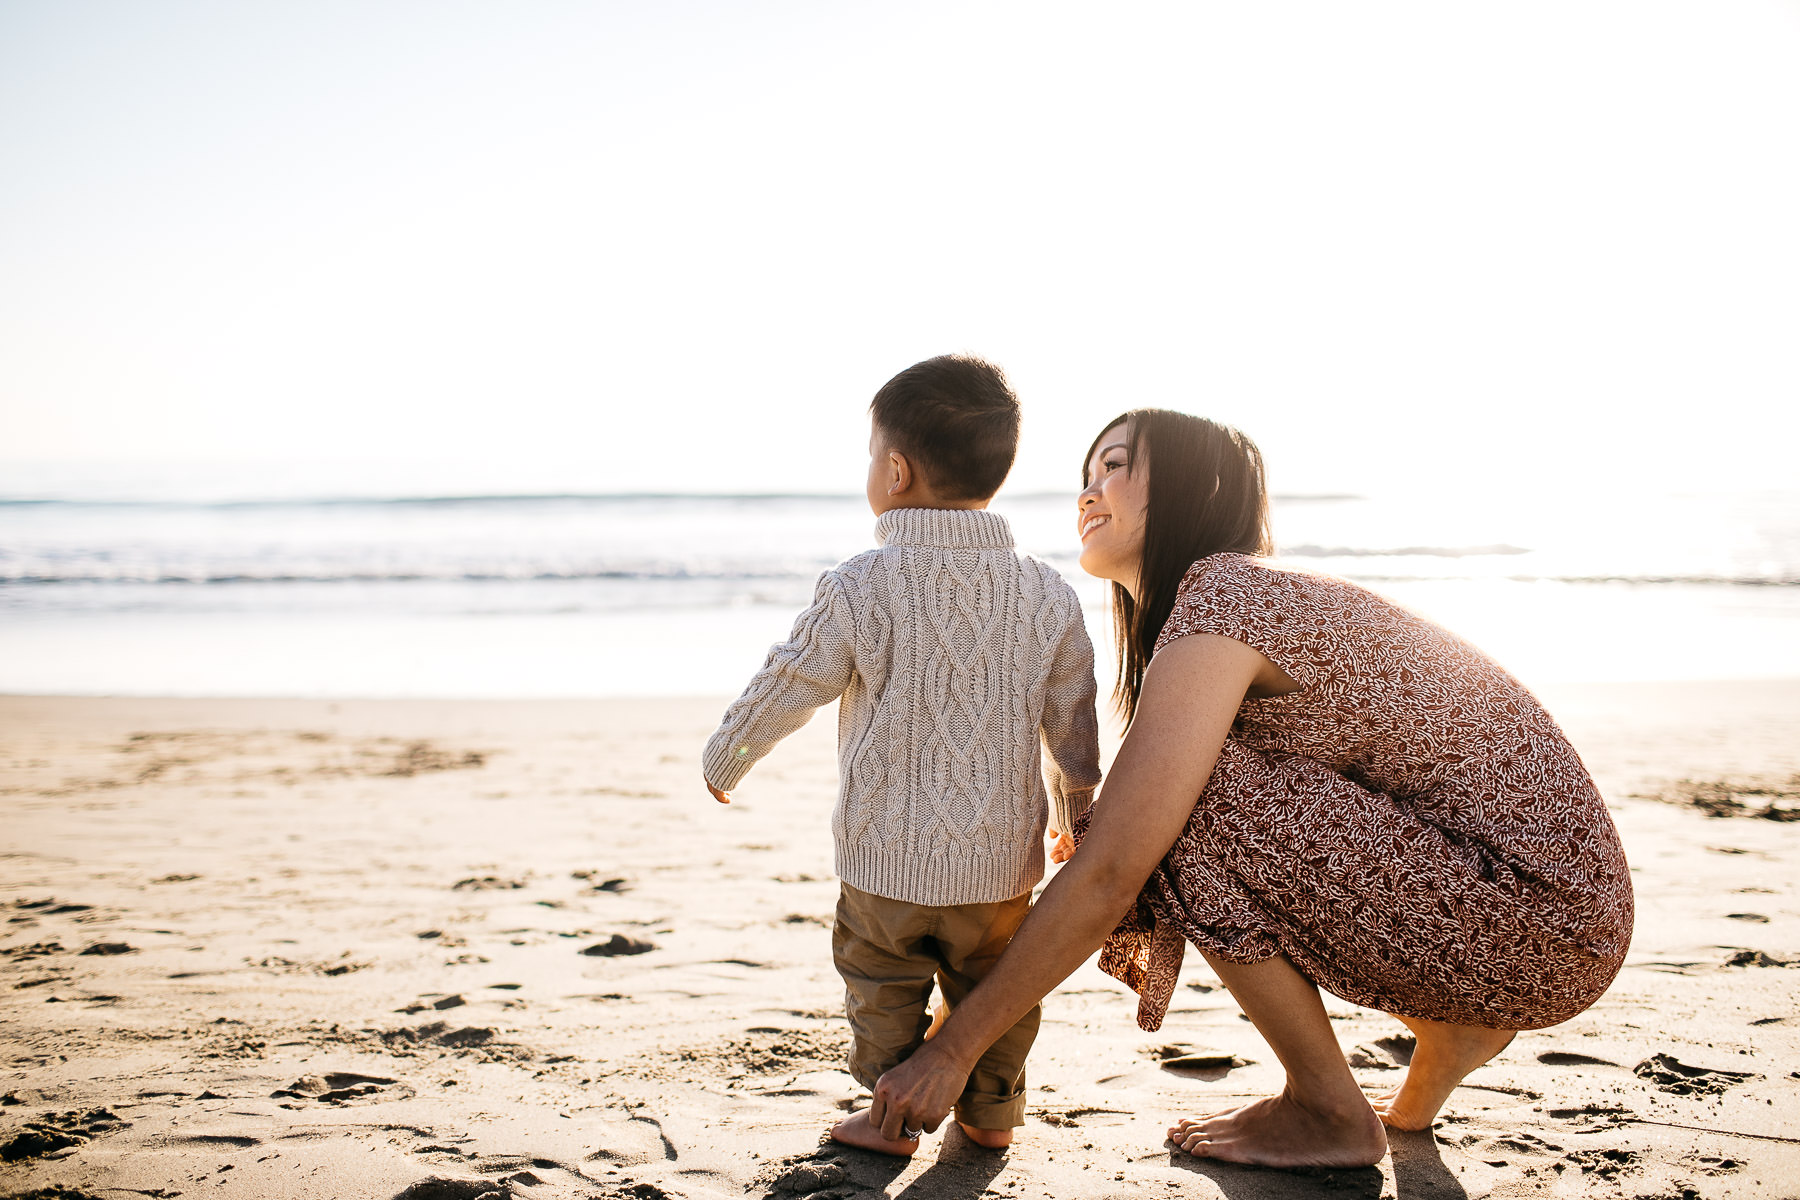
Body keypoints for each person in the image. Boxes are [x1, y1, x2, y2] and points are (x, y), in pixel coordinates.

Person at [866, 408, 1633, 1169]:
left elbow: (1111, 873)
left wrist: (953, 1051)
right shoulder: (1228, 603)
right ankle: (1451, 1030)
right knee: (1155, 802)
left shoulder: (1223, 599)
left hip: (1541, 910)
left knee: (1175, 804)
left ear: (1197, 489)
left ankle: (1325, 1106)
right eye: (1084, 475)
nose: (1088, 493)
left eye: (1116, 466)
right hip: (1552, 917)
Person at [701, 354, 1102, 1156]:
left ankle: (889, 1116)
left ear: (894, 469)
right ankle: (991, 1117)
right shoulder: (1047, 592)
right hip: (997, 871)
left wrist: (728, 756)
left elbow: (790, 682)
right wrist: (1073, 812)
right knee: (998, 994)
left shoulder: (862, 584)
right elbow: (1073, 722)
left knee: (881, 990)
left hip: (882, 866)